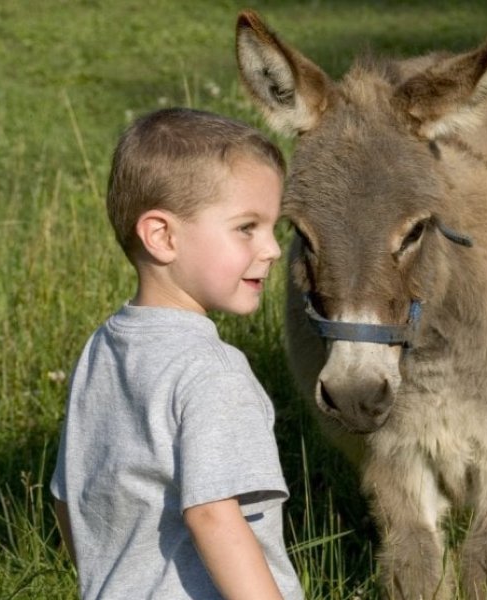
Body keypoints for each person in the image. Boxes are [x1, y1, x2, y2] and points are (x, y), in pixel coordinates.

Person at [50, 107, 302, 599]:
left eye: (275, 228)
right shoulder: (214, 372)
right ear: (163, 236)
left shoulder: (103, 348)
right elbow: (213, 513)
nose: (272, 249)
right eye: (247, 227)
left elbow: (68, 497)